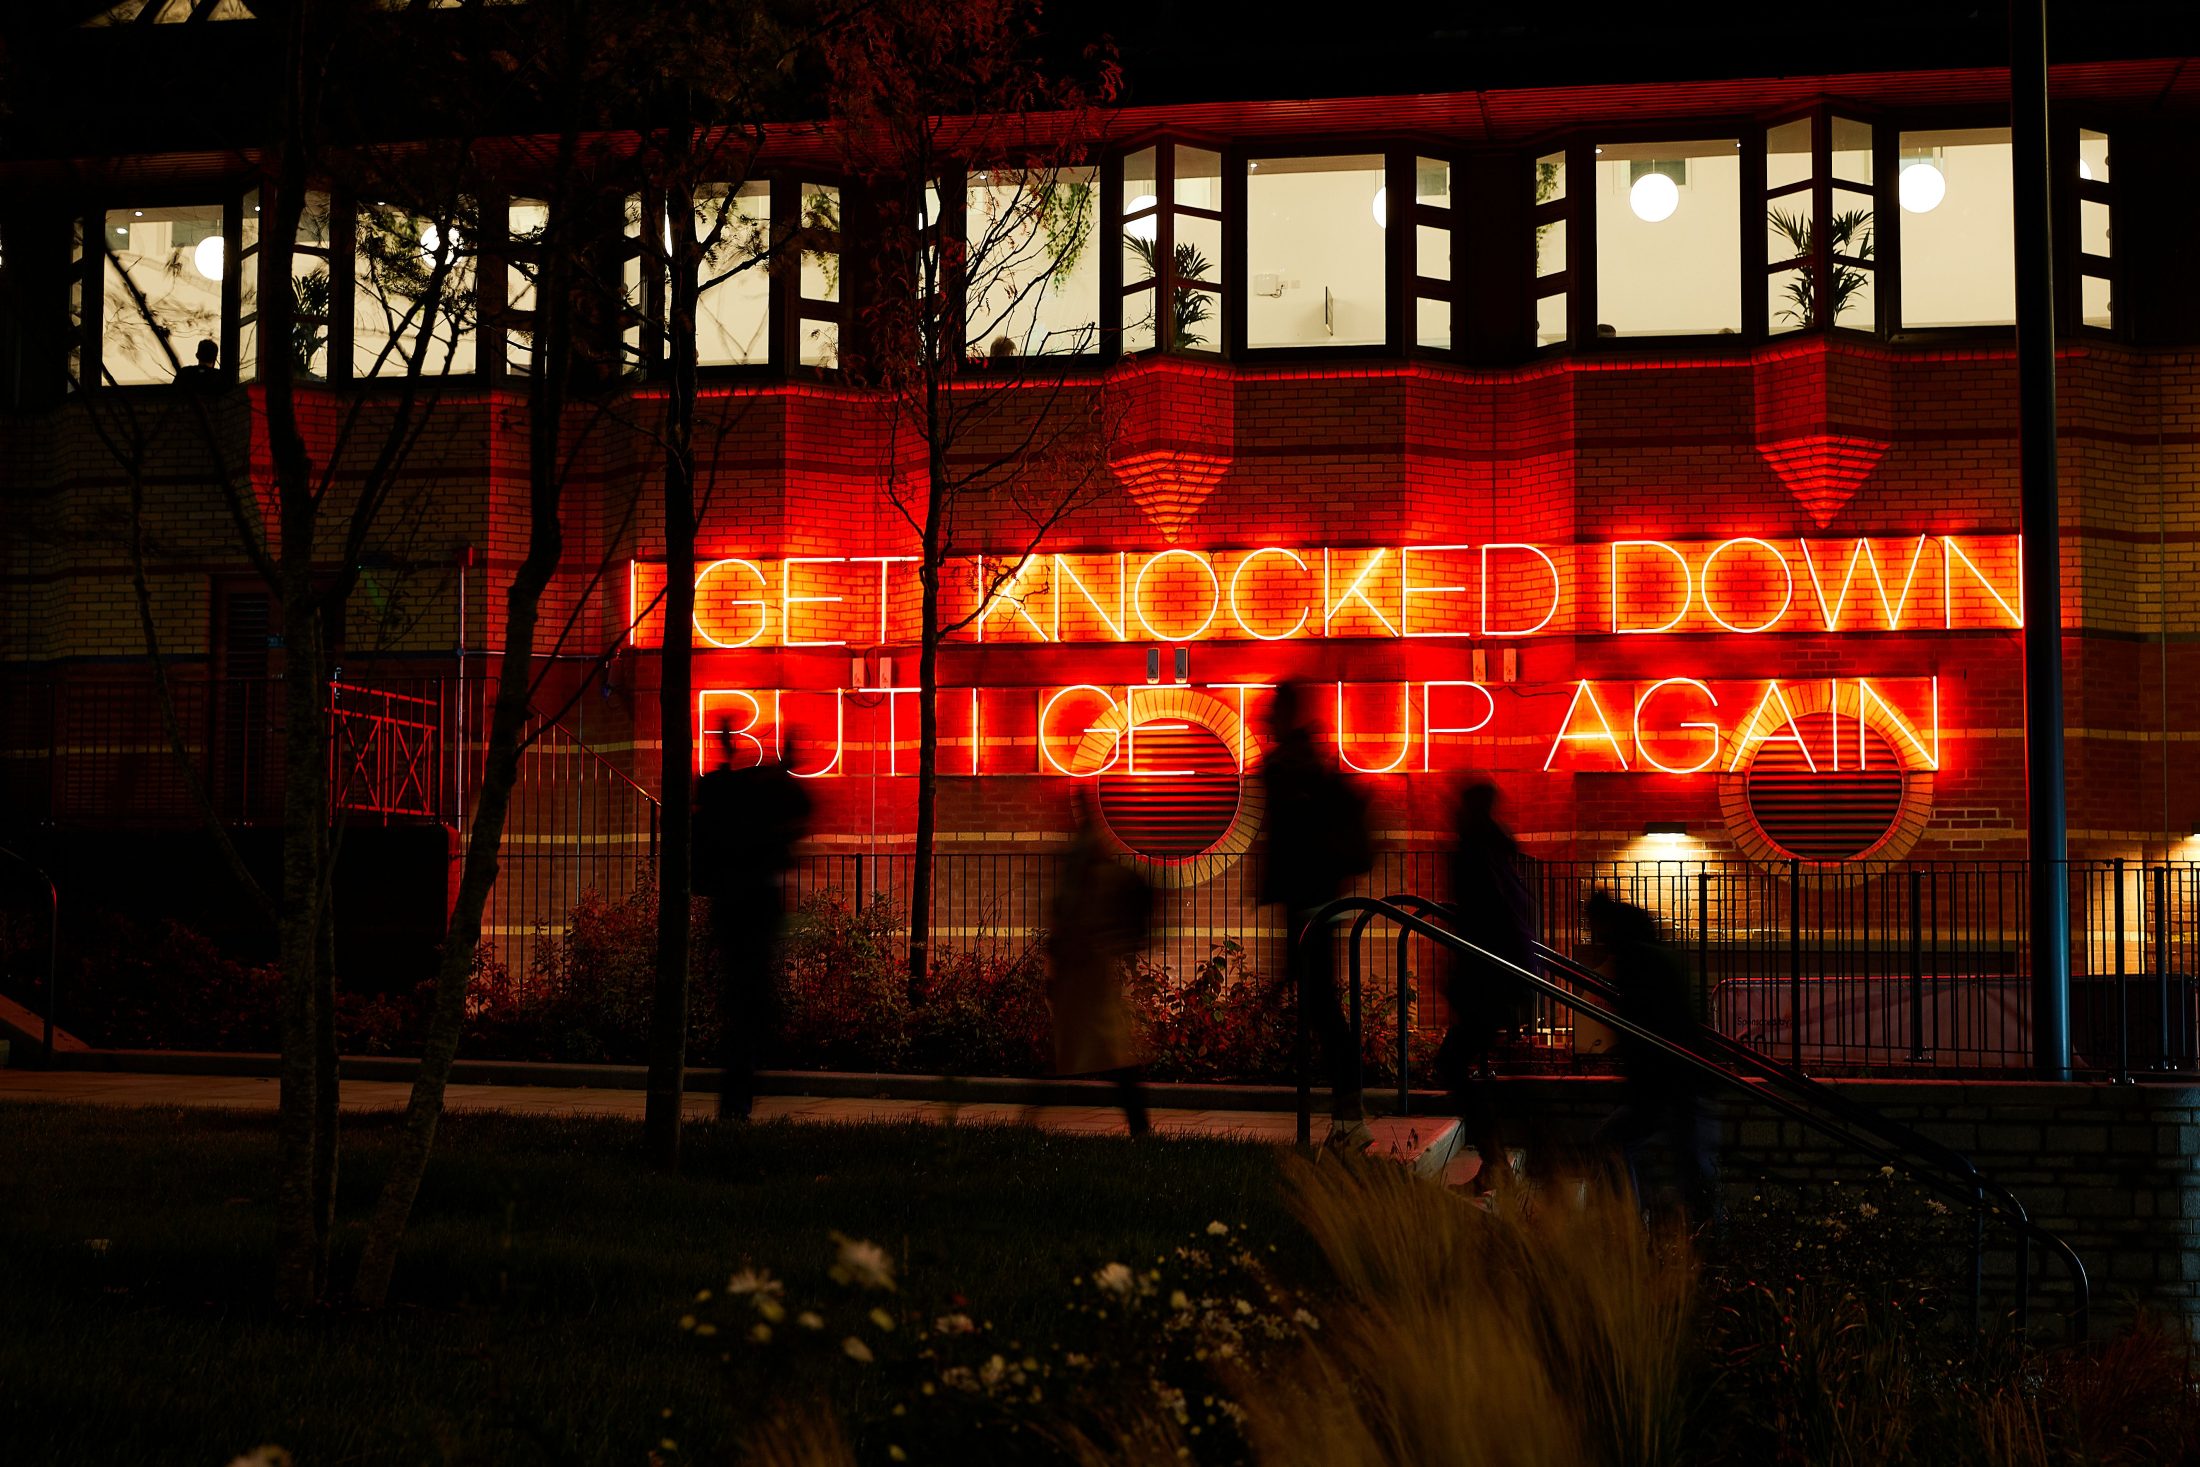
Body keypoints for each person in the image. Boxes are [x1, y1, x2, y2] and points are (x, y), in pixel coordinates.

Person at [1258, 681, 1374, 1150]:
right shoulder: (1314, 762)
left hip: (1306, 901)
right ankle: (1348, 1113)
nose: (1265, 723)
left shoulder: (1286, 767)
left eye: (1272, 713)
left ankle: (1349, 1116)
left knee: (1322, 1010)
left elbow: (1288, 840)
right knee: (1323, 1008)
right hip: (1322, 900)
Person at [692, 730, 813, 1121]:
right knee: (750, 1010)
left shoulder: (733, 797)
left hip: (735, 915)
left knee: (744, 1009)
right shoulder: (763, 809)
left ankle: (735, 1101)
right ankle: (736, 1103)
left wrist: (728, 755)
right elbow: (797, 804)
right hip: (752, 916)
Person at [1586, 890, 1720, 1227]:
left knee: (1615, 1142)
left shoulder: (1633, 960)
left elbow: (1641, 1026)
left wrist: (1638, 1084)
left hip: (1663, 1077)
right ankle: (1705, 1233)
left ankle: (1631, 1224)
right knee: (1690, 1160)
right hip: (1684, 1073)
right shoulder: (1656, 953)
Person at [1436, 779, 1539, 1193]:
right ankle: (1499, 1163)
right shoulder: (1497, 851)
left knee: (1453, 1064)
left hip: (1488, 978)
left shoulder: (1472, 852)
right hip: (1505, 977)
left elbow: (1485, 919)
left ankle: (1497, 1163)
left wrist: (1461, 975)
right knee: (1477, 1067)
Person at [1046, 811, 1156, 1136]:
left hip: (1081, 970)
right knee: (1107, 1050)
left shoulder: (1083, 870)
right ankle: (1139, 1124)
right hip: (1087, 969)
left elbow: (1066, 915)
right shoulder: (1100, 870)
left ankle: (1139, 1124)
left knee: (1097, 1049)